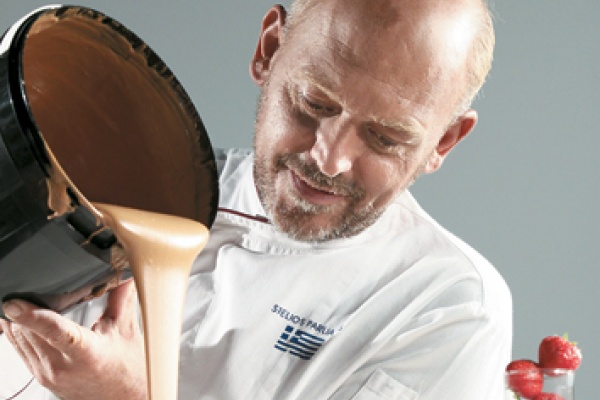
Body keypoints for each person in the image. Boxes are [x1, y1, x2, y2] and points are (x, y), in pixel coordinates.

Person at [0, 0, 512, 398]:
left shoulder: (448, 304)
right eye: (314, 102)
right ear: (268, 51)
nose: (329, 158)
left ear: (444, 142)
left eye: (385, 138)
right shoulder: (131, 192)